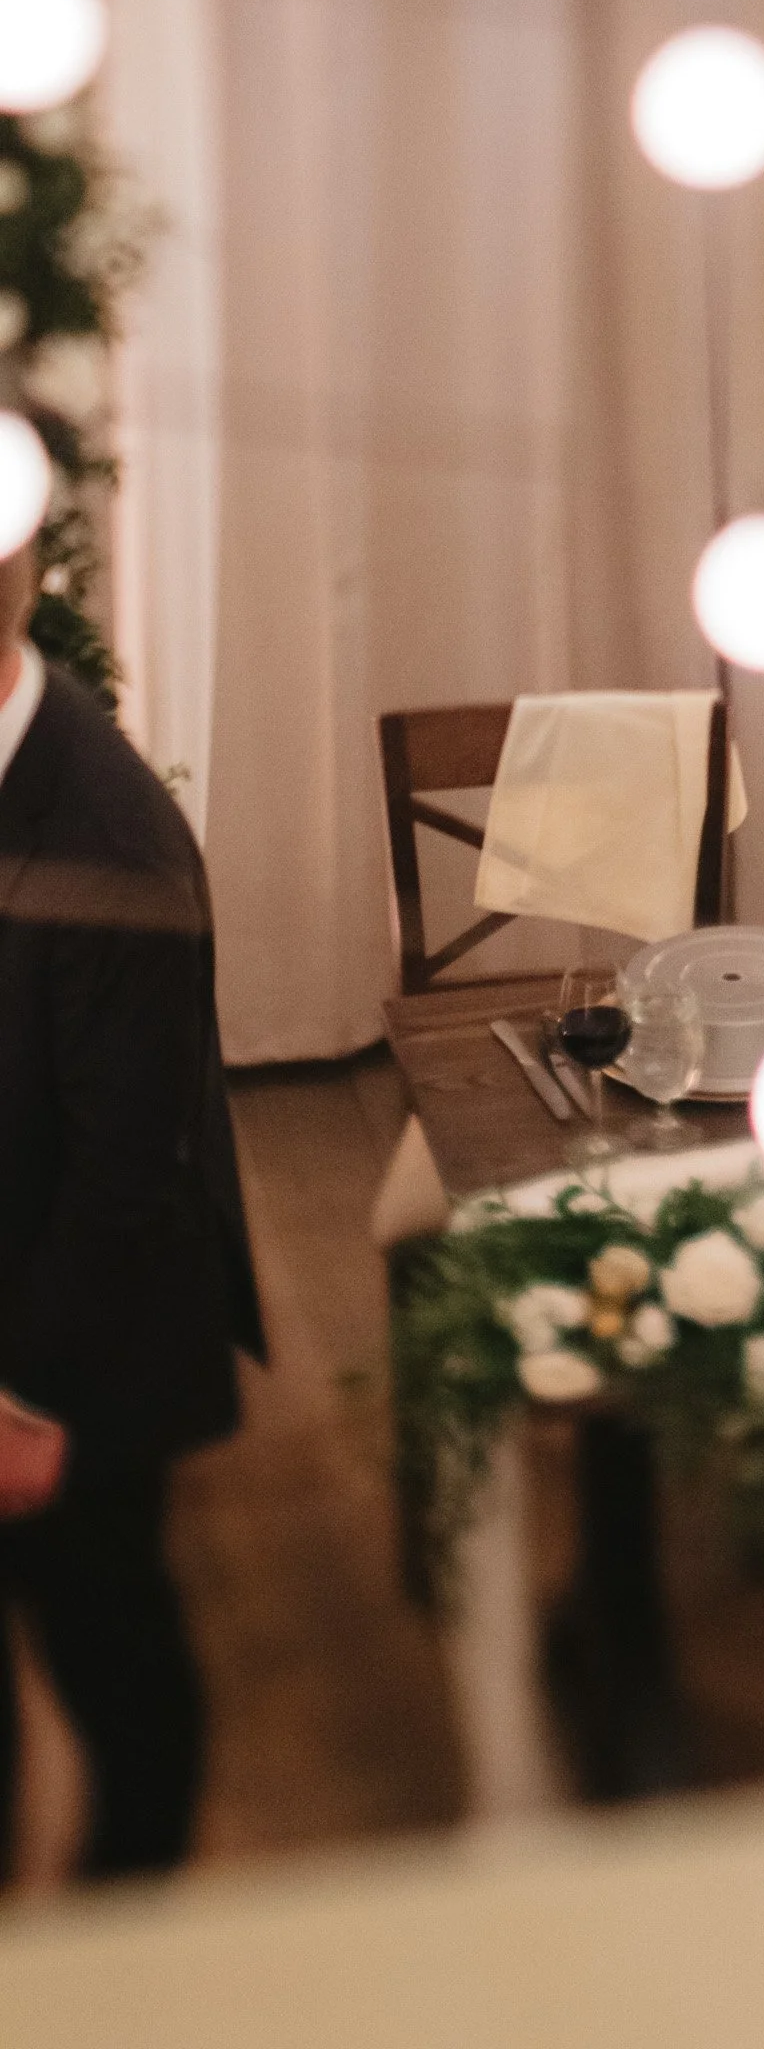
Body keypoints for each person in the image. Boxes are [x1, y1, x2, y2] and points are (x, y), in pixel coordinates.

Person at [0, 540, 263, 1878]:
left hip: (73, 1341)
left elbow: (128, 1174)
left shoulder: (104, 836)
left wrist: (27, 1396)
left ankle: (135, 1951)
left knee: (115, 1666)